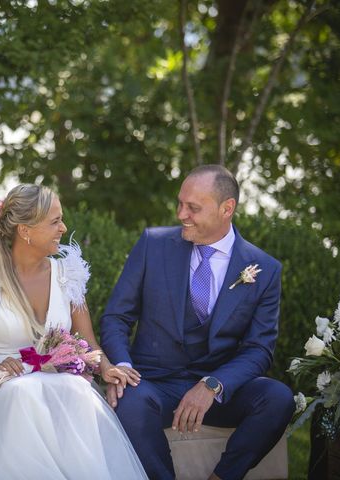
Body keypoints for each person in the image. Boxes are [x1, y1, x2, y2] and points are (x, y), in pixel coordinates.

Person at [100, 165, 295, 480]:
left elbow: (259, 349)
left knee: (278, 398)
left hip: (219, 391)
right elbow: (116, 317)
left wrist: (213, 384)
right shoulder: (153, 244)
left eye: (193, 207)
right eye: (180, 203)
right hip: (153, 383)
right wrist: (121, 365)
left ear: (226, 209)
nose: (181, 214)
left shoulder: (265, 270)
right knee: (128, 403)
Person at [0, 184, 148, 480]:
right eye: (54, 221)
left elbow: (87, 341)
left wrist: (106, 368)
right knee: (22, 392)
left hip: (48, 378)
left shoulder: (67, 275)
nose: (63, 228)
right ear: (25, 230)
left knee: (77, 388)